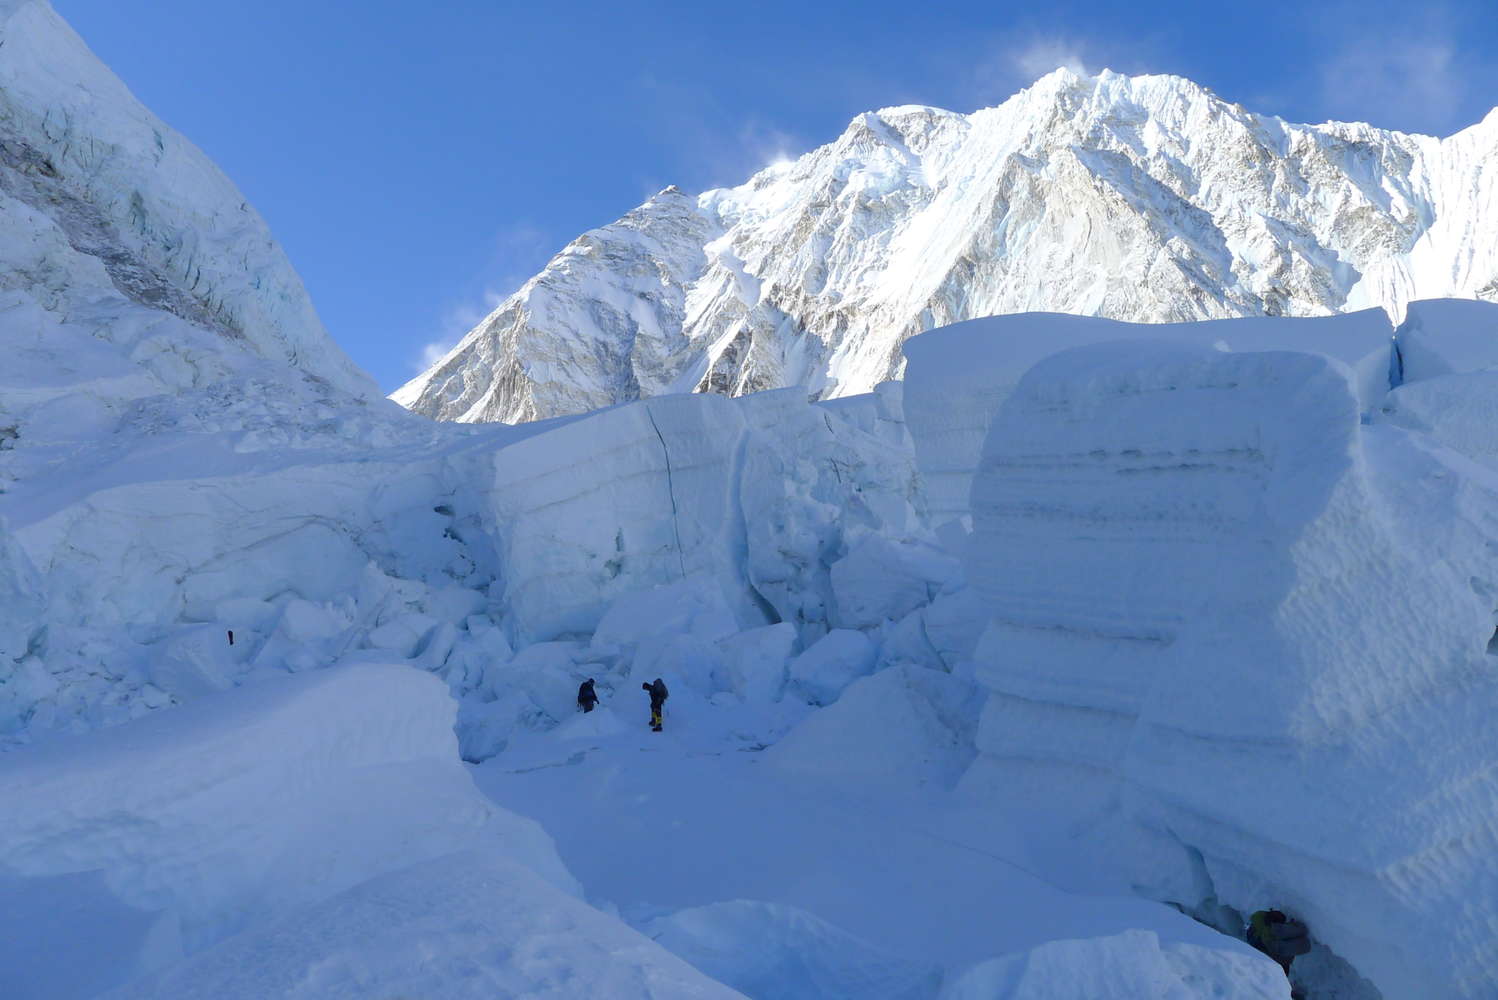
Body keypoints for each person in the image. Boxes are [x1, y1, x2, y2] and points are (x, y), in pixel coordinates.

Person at [1247, 909, 1310, 998]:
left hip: (1265, 959)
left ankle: (1285, 992)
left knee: (1275, 982)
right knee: (1277, 982)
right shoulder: (1274, 932)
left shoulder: (1260, 921)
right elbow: (1305, 942)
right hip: (1274, 961)